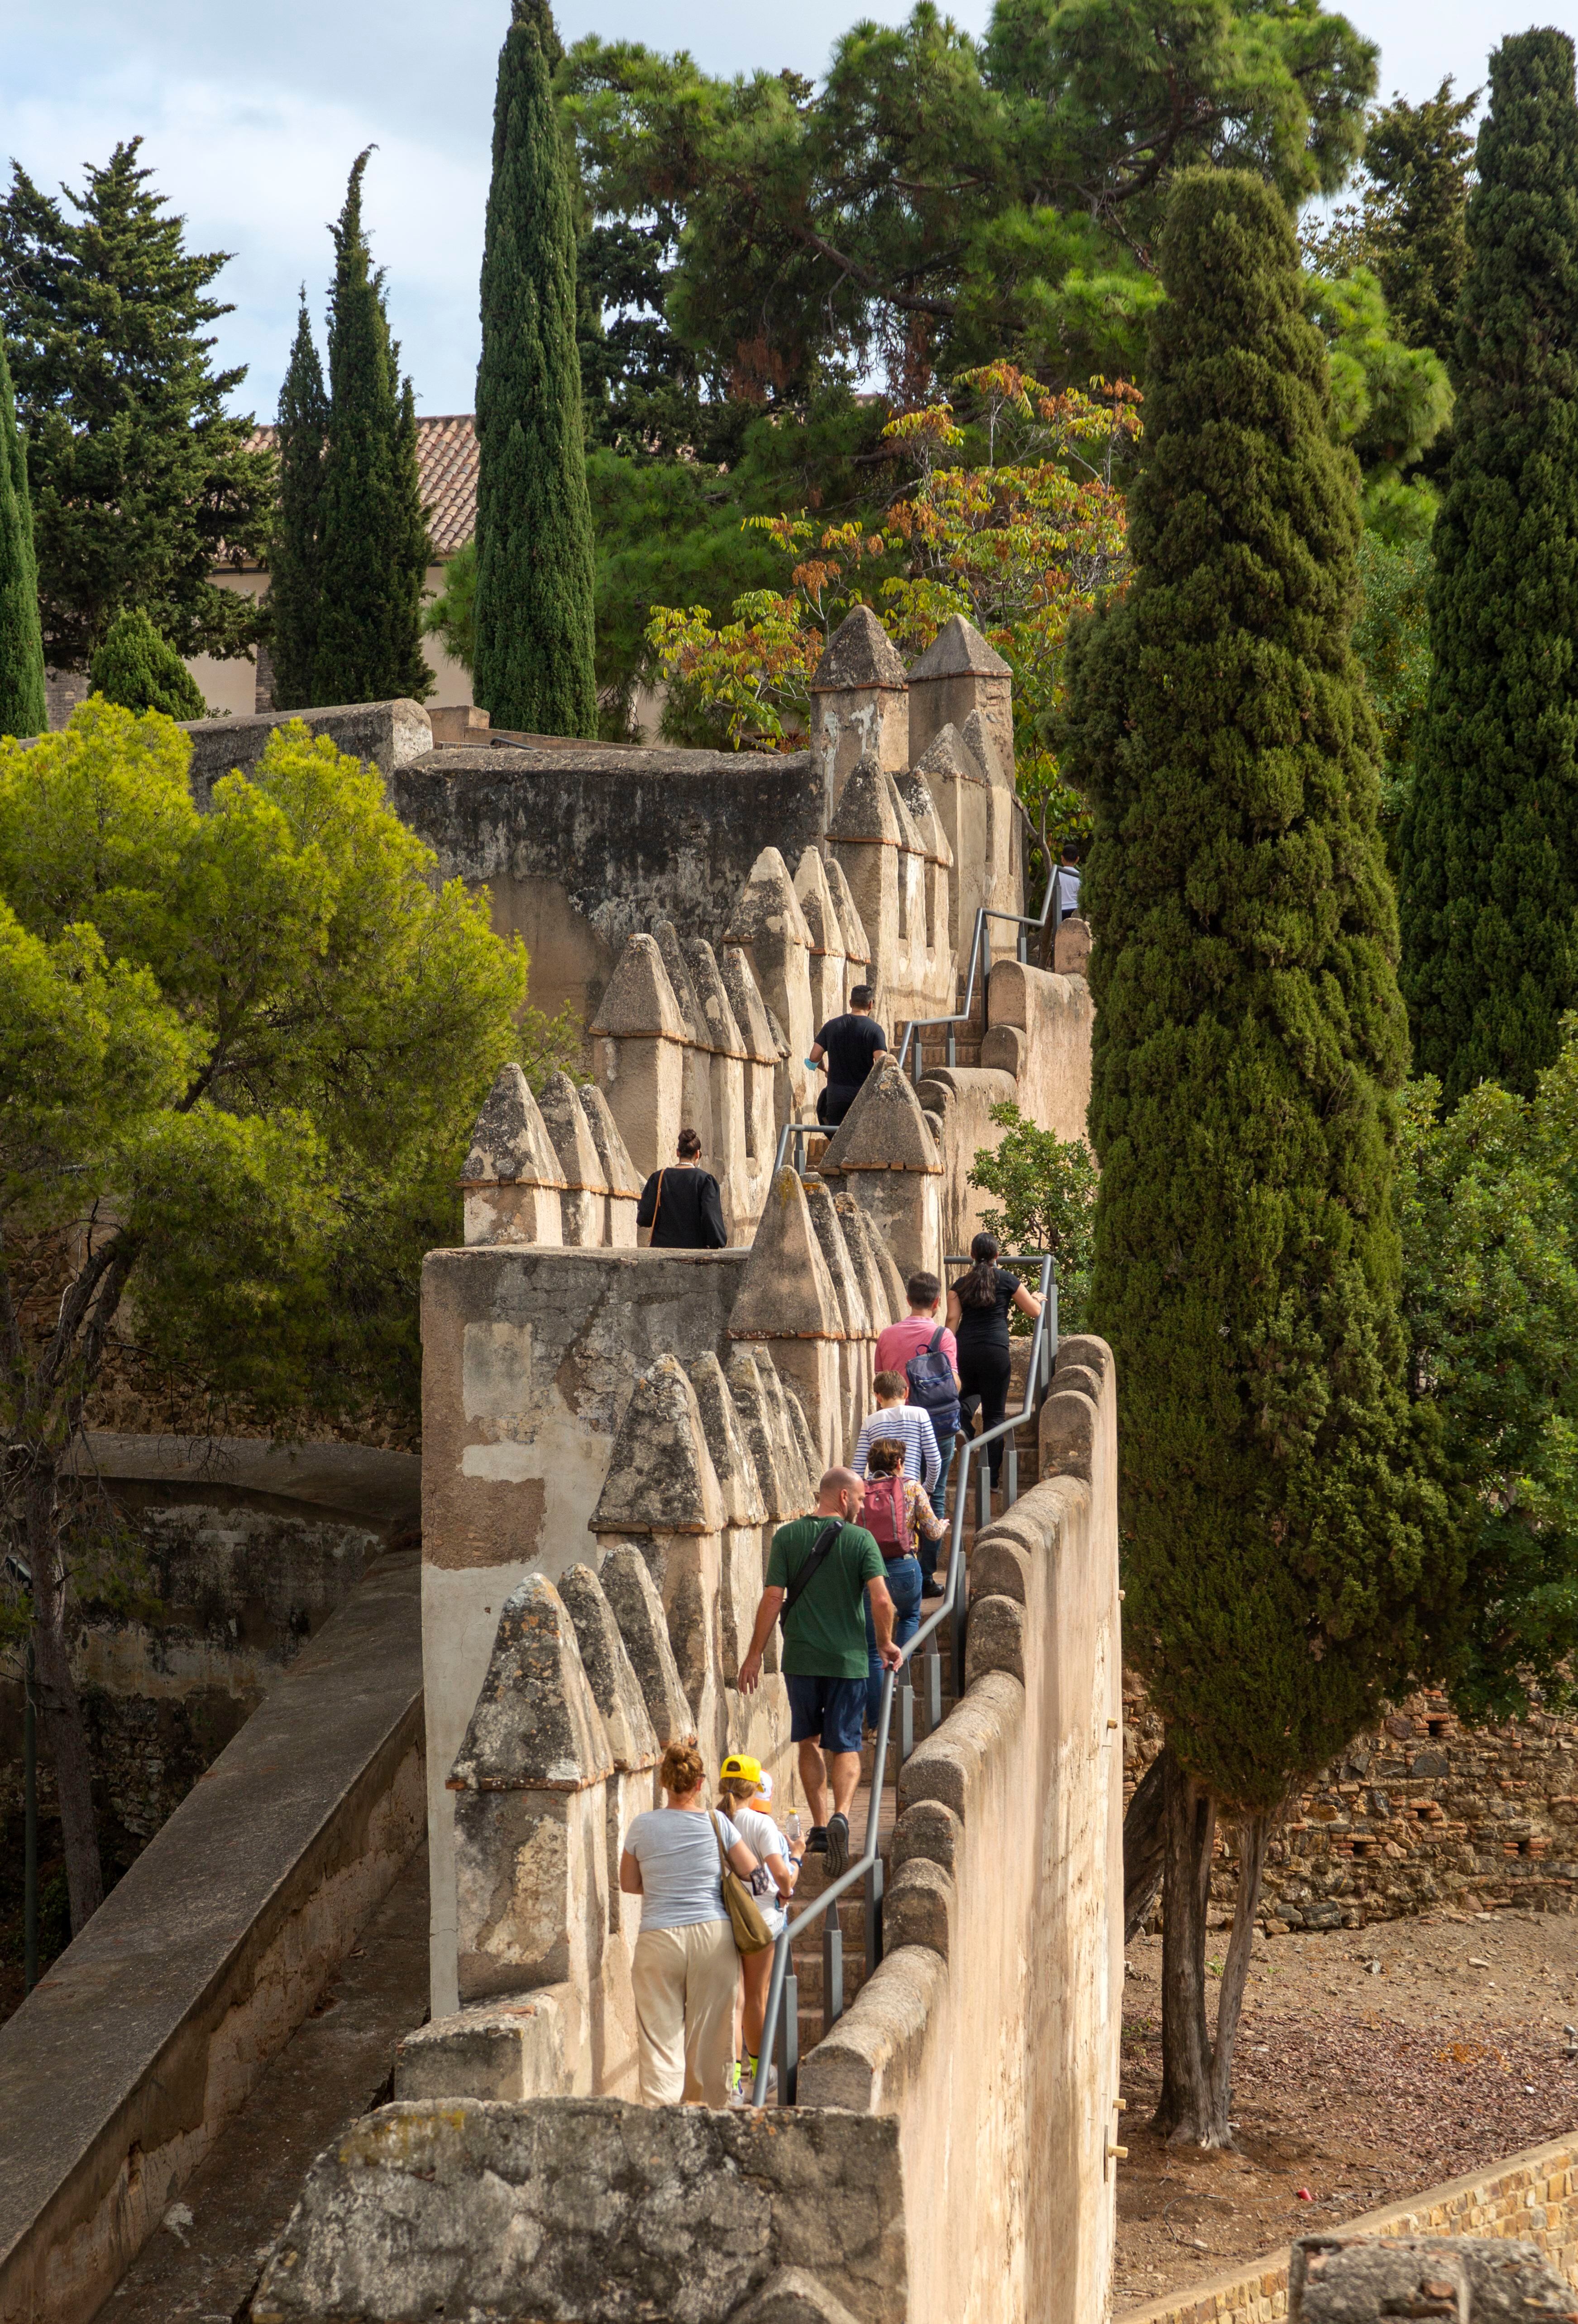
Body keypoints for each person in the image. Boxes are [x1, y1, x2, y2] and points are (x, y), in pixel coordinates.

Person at [738, 1467, 900, 1879]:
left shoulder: (787, 1538)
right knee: (846, 1743)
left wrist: (755, 1655)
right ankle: (843, 1815)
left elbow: (774, 1597)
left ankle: (820, 1827)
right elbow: (882, 1600)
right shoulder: (860, 1540)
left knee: (808, 1740)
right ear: (843, 1497)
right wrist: (885, 1643)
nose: (864, 1507)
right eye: (861, 1499)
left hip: (802, 1659)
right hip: (848, 1662)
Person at [619, 1740, 761, 2106]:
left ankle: (660, 2114)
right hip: (713, 1937)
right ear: (700, 1784)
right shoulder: (717, 1823)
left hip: (658, 1936)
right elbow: (756, 1876)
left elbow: (630, 1883)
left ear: (664, 1782)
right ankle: (709, 2115)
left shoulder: (642, 1826)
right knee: (712, 2037)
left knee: (659, 2036)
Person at [717, 1753, 803, 2102]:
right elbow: (782, 1877)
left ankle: (734, 2082)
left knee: (733, 2000)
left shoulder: (713, 1818)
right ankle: (760, 2066)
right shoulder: (759, 1823)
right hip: (760, 1922)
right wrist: (796, 1856)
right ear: (755, 1788)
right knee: (756, 1997)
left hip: (723, 1916)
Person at [874, 1269, 962, 1567]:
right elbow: (955, 1384)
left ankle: (895, 1562)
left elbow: (881, 1384)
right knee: (932, 1493)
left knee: (893, 1491)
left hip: (892, 1429)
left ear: (908, 1299)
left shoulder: (887, 1335)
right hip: (937, 1425)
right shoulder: (944, 1336)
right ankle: (925, 1574)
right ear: (937, 1302)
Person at [857, 1436, 946, 1731]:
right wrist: (943, 1525)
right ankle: (898, 1674)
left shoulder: (860, 1490)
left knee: (872, 1649)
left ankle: (874, 1725)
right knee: (909, 1615)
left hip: (869, 1575)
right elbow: (932, 1532)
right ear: (899, 1463)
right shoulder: (910, 1486)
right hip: (905, 1568)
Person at [947, 1232, 1044, 1491]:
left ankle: (963, 1428)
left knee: (965, 1395)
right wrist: (1037, 1297)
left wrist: (947, 1352)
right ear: (997, 1256)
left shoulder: (959, 1285)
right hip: (996, 1351)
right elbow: (1034, 1312)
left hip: (965, 1349)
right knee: (995, 1416)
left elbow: (951, 1322)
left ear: (972, 1256)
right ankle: (990, 1481)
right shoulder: (1007, 1279)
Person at [808, 985, 888, 1127]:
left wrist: (825, 1069)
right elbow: (883, 1064)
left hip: (836, 1098)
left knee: (837, 1142)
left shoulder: (831, 1026)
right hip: (863, 1098)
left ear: (851, 1003)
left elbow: (814, 1057)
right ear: (871, 1005)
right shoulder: (875, 1030)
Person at [636, 1127, 727, 1250]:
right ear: (698, 1154)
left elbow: (645, 1218)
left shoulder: (658, 1178)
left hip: (661, 1250)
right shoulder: (705, 1181)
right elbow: (710, 1217)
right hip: (694, 1251)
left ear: (678, 1152)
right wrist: (716, 1243)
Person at [851, 1370, 940, 1495]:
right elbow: (935, 1461)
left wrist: (862, 1497)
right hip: (909, 1490)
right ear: (906, 1392)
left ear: (878, 1397)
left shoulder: (870, 1422)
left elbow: (857, 1468)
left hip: (878, 1494)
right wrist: (928, 1490)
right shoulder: (920, 1415)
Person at [1055, 845, 1082, 922]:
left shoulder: (1056, 874)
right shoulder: (1080, 877)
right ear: (1077, 859)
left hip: (1060, 911)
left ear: (1062, 858)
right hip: (1076, 911)